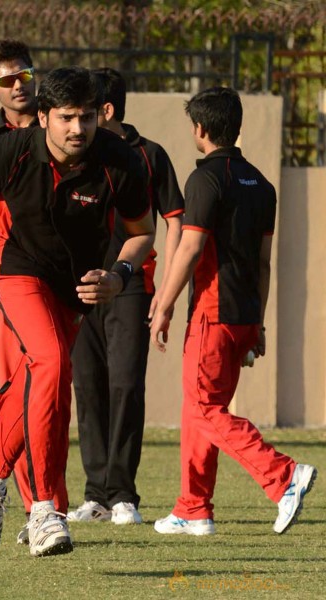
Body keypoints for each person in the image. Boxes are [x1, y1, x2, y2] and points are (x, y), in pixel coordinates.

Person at [0, 66, 155, 558]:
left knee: (39, 375)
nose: (79, 128)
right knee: (53, 363)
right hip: (16, 268)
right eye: (68, 118)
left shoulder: (121, 162)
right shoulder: (6, 151)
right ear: (43, 117)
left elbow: (142, 232)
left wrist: (118, 274)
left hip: (74, 284)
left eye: (89, 117)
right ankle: (45, 511)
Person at [150, 86, 317, 536]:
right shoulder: (261, 184)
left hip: (212, 314)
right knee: (201, 410)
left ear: (200, 129)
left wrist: (163, 304)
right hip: (243, 316)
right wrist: (258, 323)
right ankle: (193, 508)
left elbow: (190, 246)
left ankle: (284, 478)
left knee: (205, 407)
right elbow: (264, 263)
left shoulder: (205, 179)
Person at [69, 67, 184, 525]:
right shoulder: (77, 157)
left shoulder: (148, 155)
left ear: (107, 110)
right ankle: (95, 494)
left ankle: (123, 496)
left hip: (133, 285)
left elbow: (174, 219)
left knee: (126, 386)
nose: (77, 125)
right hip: (79, 285)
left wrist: (167, 291)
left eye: (87, 111)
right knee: (88, 386)